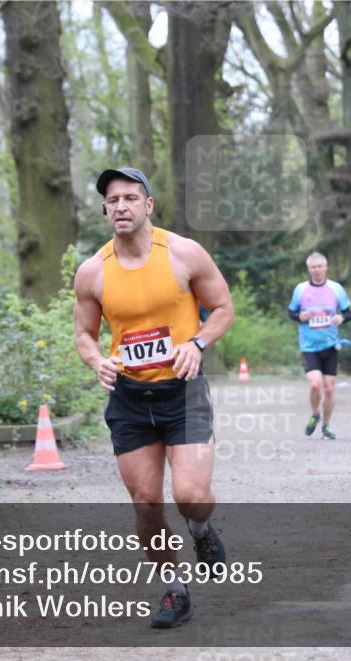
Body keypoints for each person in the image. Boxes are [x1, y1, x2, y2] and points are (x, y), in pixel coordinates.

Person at [73, 167, 234, 629]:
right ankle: (173, 590)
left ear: (148, 205)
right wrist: (95, 360)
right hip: (129, 398)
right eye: (112, 200)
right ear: (105, 210)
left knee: (190, 496)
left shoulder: (184, 254)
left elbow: (223, 308)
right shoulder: (92, 272)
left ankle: (202, 531)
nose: (120, 205)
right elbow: (84, 333)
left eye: (129, 197)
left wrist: (196, 343)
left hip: (182, 391)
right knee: (146, 503)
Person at [287, 252, 351, 440]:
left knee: (330, 388)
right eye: (313, 267)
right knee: (315, 384)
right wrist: (300, 316)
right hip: (309, 346)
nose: (317, 270)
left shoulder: (336, 288)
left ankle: (326, 426)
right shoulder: (300, 289)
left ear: (325, 268)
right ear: (309, 269)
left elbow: (349, 313)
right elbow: (291, 312)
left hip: (331, 345)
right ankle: (315, 413)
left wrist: (341, 318)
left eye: (319, 266)